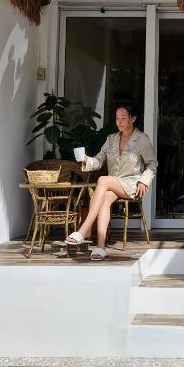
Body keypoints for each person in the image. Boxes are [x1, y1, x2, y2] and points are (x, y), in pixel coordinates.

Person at [66, 102, 157, 260]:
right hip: (114, 183)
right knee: (105, 199)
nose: (119, 121)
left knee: (103, 180)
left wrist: (144, 180)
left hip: (132, 183)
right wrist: (86, 159)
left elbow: (152, 163)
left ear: (133, 118)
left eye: (123, 117)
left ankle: (84, 230)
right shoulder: (111, 139)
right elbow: (99, 161)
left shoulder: (142, 139)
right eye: (117, 118)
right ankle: (100, 247)